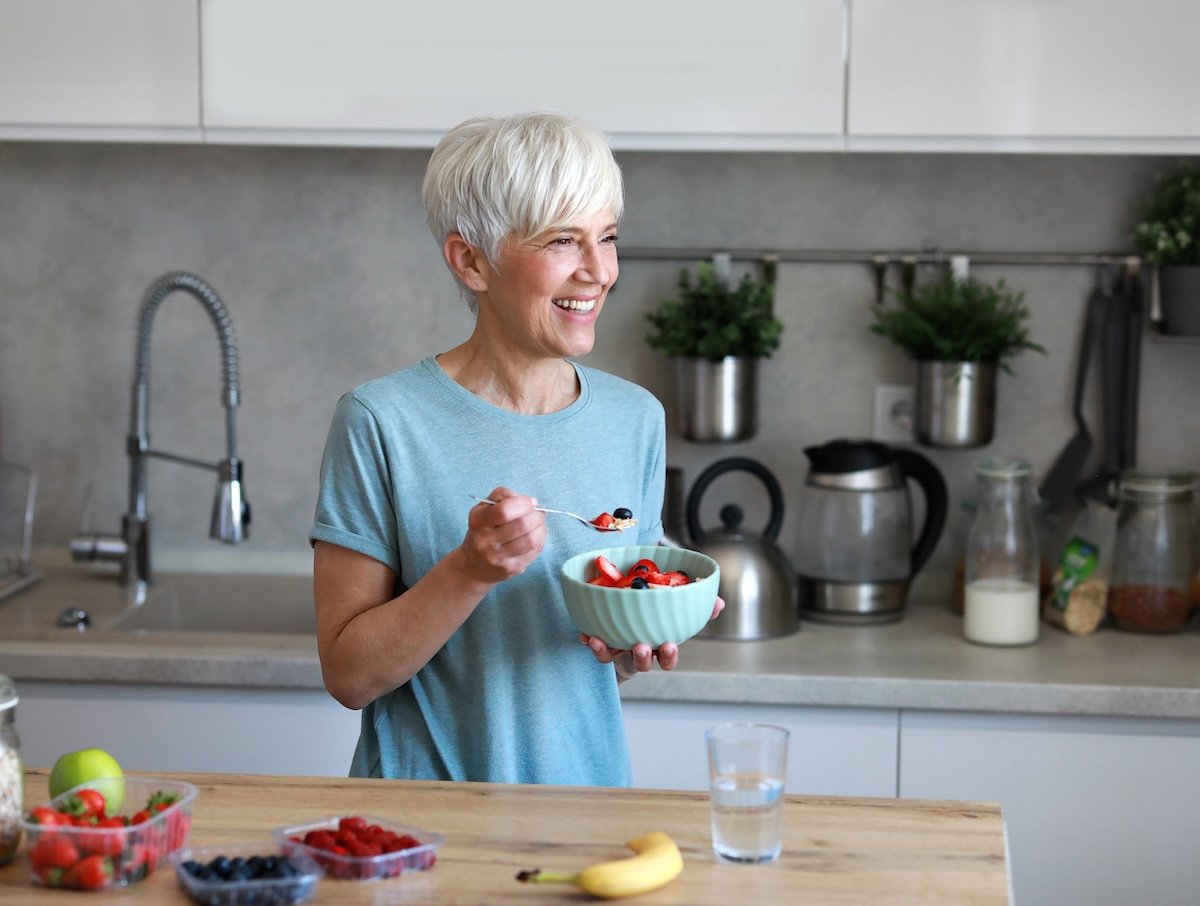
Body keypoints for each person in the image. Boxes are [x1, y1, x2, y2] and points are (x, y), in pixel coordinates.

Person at [310, 112, 722, 786]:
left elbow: (600, 651)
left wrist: (639, 634)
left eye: (608, 237)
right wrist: (469, 570)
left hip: (586, 811)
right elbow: (350, 675)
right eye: (564, 241)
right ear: (471, 261)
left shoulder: (635, 419)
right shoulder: (381, 422)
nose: (599, 271)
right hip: (419, 828)